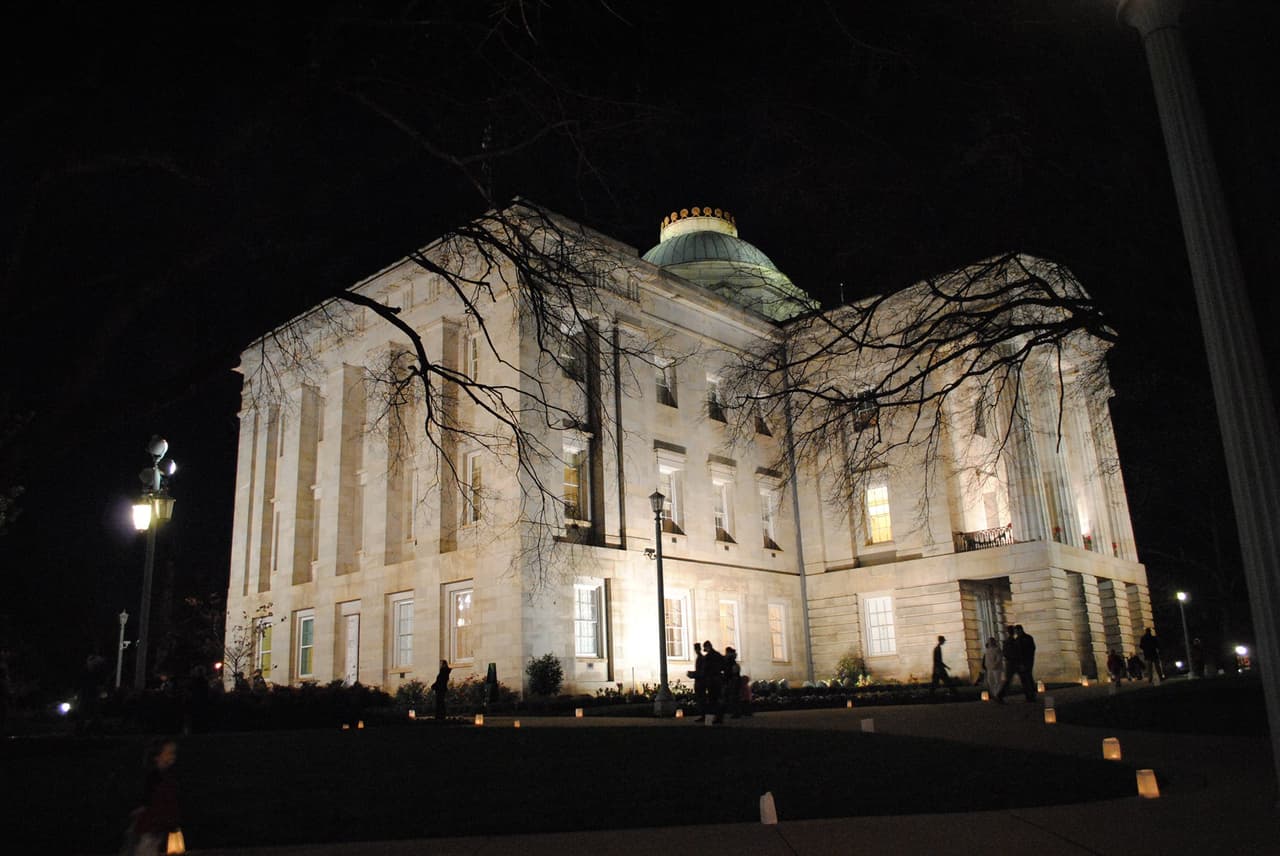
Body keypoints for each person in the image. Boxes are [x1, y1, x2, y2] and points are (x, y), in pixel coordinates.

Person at [126, 738, 181, 856]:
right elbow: (147, 803)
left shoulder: (167, 777)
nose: (173, 756)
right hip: (148, 829)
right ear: (157, 756)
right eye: (169, 752)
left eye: (173, 753)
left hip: (155, 829)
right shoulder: (153, 778)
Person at [700, 642, 725, 724]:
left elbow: (705, 669)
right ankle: (719, 717)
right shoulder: (717, 655)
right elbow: (723, 665)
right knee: (718, 700)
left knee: (712, 700)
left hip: (712, 680)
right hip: (717, 680)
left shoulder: (708, 657)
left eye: (705, 648)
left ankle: (710, 719)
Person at [995, 626, 1020, 703]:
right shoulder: (1011, 641)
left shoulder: (1009, 641)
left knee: (1009, 680)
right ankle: (1000, 695)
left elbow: (1005, 653)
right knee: (1009, 680)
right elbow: (1008, 653)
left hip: (1011, 662)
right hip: (1013, 662)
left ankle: (1000, 695)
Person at [1015, 624, 1036, 700]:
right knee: (1024, 679)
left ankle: (1032, 694)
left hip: (1027, 661)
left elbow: (1031, 649)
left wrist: (1026, 661)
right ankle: (1028, 695)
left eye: (1017, 631)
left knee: (1028, 678)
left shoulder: (1027, 638)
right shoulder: (1018, 639)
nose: (1016, 632)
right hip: (1021, 662)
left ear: (1020, 630)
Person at [688, 643, 707, 721]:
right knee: (701, 699)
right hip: (700, 681)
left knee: (701, 699)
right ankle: (703, 715)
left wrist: (692, 674)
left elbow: (701, 672)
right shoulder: (700, 658)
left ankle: (703, 715)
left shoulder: (701, 658)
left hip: (700, 682)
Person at [723, 647, 743, 718]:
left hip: (733, 680)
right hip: (733, 680)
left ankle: (736, 712)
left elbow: (729, 671)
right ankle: (736, 712)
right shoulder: (732, 661)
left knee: (733, 697)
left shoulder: (730, 661)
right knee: (734, 697)